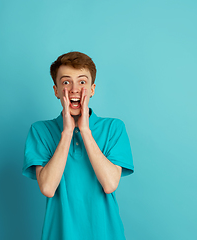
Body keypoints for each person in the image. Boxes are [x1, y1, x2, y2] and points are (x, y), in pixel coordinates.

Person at [23, 51, 134, 240]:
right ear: (56, 90)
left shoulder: (114, 128)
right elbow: (48, 188)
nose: (74, 89)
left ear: (92, 89)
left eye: (82, 82)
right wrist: (67, 132)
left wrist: (85, 130)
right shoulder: (40, 130)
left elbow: (109, 184)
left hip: (106, 234)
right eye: (66, 82)